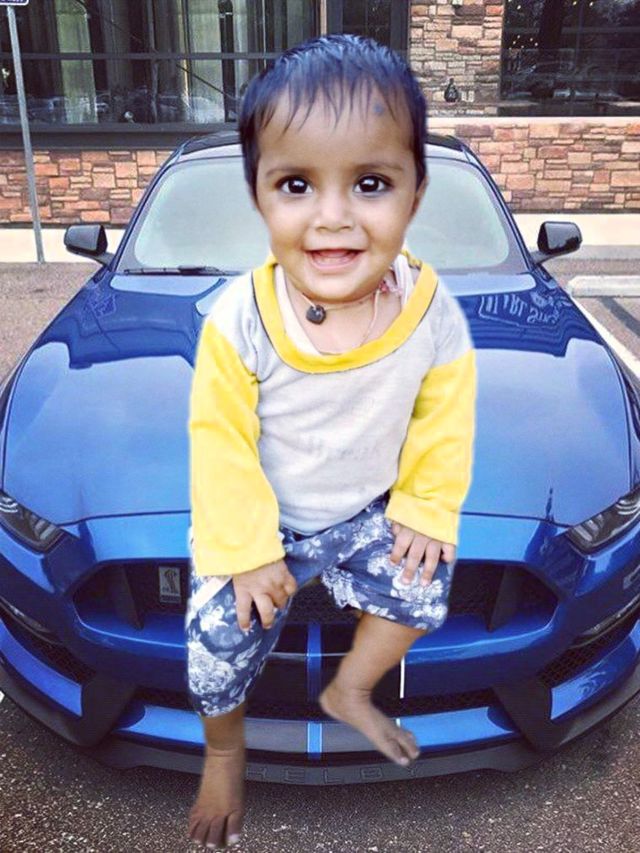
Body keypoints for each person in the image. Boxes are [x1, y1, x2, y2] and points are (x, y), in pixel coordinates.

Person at [185, 33, 477, 850]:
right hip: (263, 523)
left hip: (362, 511)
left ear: (415, 194)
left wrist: (424, 504)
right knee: (213, 647)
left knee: (424, 589)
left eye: (371, 183)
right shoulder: (238, 320)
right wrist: (247, 550)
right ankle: (224, 749)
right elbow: (219, 440)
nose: (333, 216)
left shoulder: (431, 311)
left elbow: (446, 410)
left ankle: (350, 688)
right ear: (258, 195)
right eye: (296, 184)